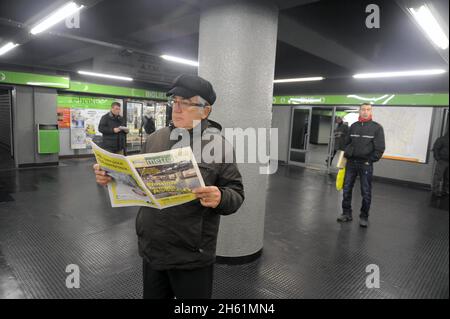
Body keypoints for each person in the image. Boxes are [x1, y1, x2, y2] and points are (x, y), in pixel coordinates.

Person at [93, 74, 245, 299]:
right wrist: (111, 177)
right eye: (175, 101)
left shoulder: (219, 147)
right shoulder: (155, 139)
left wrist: (221, 197)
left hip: (191, 254)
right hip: (152, 247)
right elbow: (137, 178)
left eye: (186, 102)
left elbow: (236, 193)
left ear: (206, 110)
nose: (177, 108)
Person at [337, 103, 385, 227]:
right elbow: (346, 144)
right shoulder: (353, 126)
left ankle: (364, 217)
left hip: (366, 164)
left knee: (366, 191)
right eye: (363, 109)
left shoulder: (377, 128)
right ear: (359, 111)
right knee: (347, 189)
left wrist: (370, 160)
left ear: (371, 112)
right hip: (351, 163)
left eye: (368, 110)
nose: (365, 112)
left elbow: (380, 148)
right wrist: (348, 152)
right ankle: (346, 213)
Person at [431, 131, 449, 197]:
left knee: (447, 178)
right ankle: (435, 191)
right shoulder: (441, 139)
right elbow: (435, 149)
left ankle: (446, 191)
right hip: (442, 161)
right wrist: (438, 159)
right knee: (438, 177)